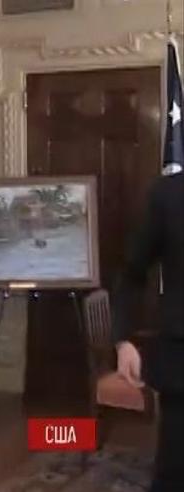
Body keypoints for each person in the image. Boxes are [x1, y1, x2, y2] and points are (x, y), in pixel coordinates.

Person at [114, 170, 184, 491]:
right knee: (174, 472)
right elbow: (131, 272)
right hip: (180, 360)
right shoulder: (168, 195)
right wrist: (123, 340)